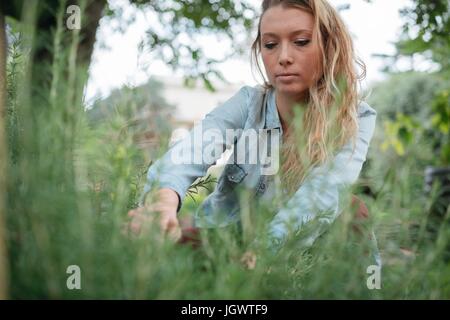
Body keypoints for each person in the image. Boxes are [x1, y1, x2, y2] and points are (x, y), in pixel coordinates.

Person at [127, 0, 381, 266]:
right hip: (225, 238)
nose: (283, 56)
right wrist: (163, 202)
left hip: (295, 246)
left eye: (301, 41)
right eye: (270, 45)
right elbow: (192, 150)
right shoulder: (250, 103)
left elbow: (321, 195)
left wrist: (262, 254)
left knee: (354, 209)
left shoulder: (356, 117)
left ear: (328, 46)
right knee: (141, 236)